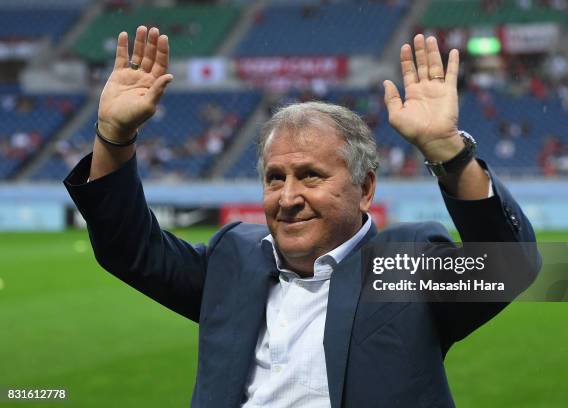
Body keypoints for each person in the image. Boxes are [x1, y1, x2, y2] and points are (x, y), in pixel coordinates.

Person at [64, 26, 539, 407]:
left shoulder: (402, 266)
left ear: (365, 188)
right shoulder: (235, 257)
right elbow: (130, 249)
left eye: (310, 176)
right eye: (275, 178)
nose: (287, 197)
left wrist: (448, 152)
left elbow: (508, 266)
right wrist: (113, 135)